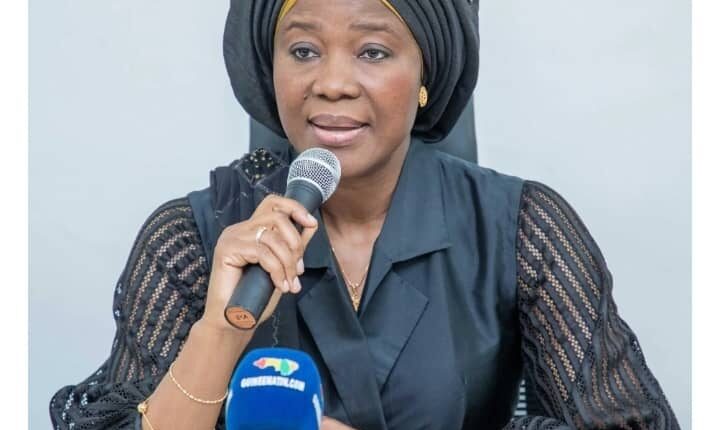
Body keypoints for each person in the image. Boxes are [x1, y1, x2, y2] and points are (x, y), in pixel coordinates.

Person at [49, 0, 681, 429]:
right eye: (303, 50)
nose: (331, 83)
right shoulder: (190, 237)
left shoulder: (521, 229)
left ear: (426, 72)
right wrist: (220, 330)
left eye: (373, 52)